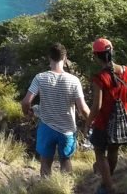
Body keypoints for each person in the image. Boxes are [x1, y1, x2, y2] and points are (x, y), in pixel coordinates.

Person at [21, 43, 91, 177]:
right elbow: (83, 109)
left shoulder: (40, 78)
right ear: (65, 58)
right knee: (65, 161)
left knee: (46, 162)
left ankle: (46, 189)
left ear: (49, 58)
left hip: (46, 126)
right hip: (67, 129)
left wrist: (27, 113)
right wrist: (91, 121)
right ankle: (65, 188)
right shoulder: (74, 80)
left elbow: (26, 102)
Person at [88, 38, 127, 194]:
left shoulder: (99, 78)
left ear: (96, 56)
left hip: (103, 122)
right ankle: (107, 182)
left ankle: (108, 187)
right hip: (124, 119)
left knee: (100, 153)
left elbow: (97, 106)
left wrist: (87, 122)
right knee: (113, 151)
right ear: (112, 52)